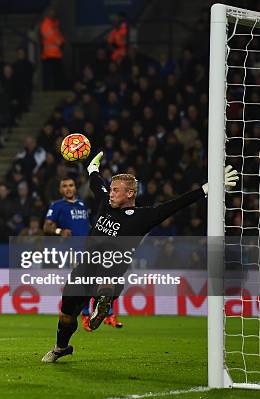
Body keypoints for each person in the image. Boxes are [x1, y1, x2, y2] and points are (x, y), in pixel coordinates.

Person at [41, 152, 238, 363]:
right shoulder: (106, 203)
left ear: (130, 194)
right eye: (111, 189)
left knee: (108, 279)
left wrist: (208, 189)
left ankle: (102, 302)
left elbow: (175, 205)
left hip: (110, 272)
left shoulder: (143, 217)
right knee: (66, 316)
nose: (111, 193)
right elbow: (96, 183)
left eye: (116, 190)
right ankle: (61, 347)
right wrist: (92, 169)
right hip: (83, 271)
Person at [43, 177, 123, 330]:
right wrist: (59, 231)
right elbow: (46, 226)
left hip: (91, 248)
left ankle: (107, 314)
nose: (68, 188)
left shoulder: (82, 204)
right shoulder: (57, 205)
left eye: (71, 185)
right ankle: (88, 315)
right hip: (74, 250)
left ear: (75, 188)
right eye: (64, 186)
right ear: (60, 190)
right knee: (87, 281)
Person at [39, 6, 65, 90]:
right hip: (48, 55)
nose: (53, 14)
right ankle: (48, 90)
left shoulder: (55, 24)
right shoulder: (45, 24)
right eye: (51, 12)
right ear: (47, 13)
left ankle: (57, 89)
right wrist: (60, 42)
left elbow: (59, 35)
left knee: (58, 75)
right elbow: (51, 36)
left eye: (54, 12)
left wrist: (62, 41)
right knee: (49, 75)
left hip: (56, 55)